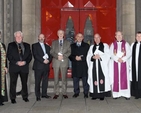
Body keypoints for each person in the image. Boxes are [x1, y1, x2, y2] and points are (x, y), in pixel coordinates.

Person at [7, 31, 32, 104]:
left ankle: (25, 96)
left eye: (20, 36)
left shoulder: (27, 45)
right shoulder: (11, 45)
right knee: (13, 83)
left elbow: (30, 56)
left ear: (22, 37)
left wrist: (25, 62)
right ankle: (13, 98)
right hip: (14, 67)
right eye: (17, 36)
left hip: (24, 67)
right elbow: (9, 56)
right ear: (15, 37)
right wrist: (17, 62)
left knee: (24, 82)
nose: (18, 38)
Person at [87, 33, 111, 100]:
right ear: (94, 39)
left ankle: (101, 95)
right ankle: (94, 95)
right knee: (94, 79)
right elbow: (88, 56)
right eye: (95, 38)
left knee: (102, 79)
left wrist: (100, 56)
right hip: (94, 66)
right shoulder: (91, 47)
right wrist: (93, 57)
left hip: (102, 66)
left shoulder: (105, 46)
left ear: (100, 38)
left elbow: (108, 55)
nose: (96, 39)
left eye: (98, 37)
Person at [109, 31, 131, 100]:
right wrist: (117, 59)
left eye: (120, 35)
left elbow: (129, 53)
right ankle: (116, 94)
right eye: (117, 35)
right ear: (115, 36)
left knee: (124, 78)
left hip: (124, 63)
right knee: (116, 78)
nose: (119, 36)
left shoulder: (126, 44)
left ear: (122, 35)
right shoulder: (113, 44)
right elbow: (111, 54)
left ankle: (126, 94)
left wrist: (123, 59)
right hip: (116, 63)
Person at [50, 29, 71, 99]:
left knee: (64, 78)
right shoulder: (54, 42)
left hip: (64, 62)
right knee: (56, 78)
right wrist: (57, 56)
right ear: (57, 34)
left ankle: (64, 92)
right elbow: (52, 52)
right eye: (59, 33)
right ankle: (56, 92)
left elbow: (69, 52)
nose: (61, 35)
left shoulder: (67, 43)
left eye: (62, 33)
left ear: (63, 34)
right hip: (56, 62)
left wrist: (63, 56)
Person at [32, 34, 52, 101]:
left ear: (44, 38)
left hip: (46, 66)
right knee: (37, 81)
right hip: (38, 66)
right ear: (38, 38)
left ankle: (44, 94)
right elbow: (35, 55)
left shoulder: (47, 47)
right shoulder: (34, 46)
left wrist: (48, 60)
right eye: (40, 37)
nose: (41, 38)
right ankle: (37, 95)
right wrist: (43, 60)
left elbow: (50, 55)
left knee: (45, 81)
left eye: (42, 37)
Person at [69, 33, 89, 98]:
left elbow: (88, 55)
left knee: (85, 80)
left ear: (83, 38)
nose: (79, 38)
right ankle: (76, 92)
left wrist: (82, 58)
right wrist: (75, 58)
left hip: (83, 65)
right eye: (78, 36)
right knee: (75, 80)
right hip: (75, 65)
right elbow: (69, 55)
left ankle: (86, 93)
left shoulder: (86, 45)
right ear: (76, 37)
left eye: (81, 36)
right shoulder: (72, 46)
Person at [131, 31, 141, 99]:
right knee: (136, 78)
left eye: (140, 36)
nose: (138, 37)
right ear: (135, 37)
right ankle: (137, 94)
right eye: (137, 36)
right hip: (135, 64)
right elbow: (131, 56)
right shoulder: (133, 45)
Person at [0, 31, 8, 106]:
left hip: (2, 68)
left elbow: (5, 58)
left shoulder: (2, 45)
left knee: (1, 84)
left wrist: (6, 67)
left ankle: (1, 99)